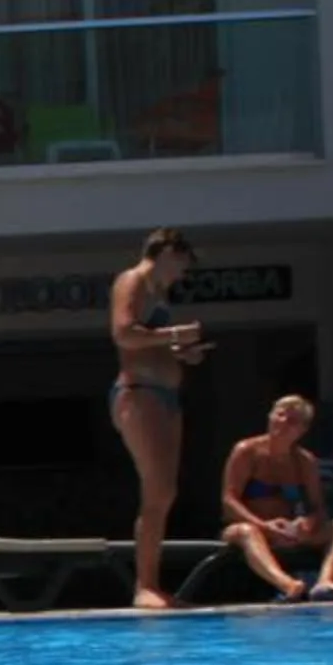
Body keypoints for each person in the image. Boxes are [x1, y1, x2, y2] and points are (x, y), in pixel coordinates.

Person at [109, 228, 211, 608]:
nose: (183, 273)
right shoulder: (131, 279)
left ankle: (151, 585)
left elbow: (150, 342)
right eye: (183, 263)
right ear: (168, 251)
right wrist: (175, 334)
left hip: (163, 395)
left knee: (164, 492)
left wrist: (182, 353)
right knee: (155, 489)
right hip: (139, 394)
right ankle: (144, 586)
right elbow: (124, 334)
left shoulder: (157, 294)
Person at [221, 394, 333, 602]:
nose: (282, 422)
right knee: (246, 532)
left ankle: (325, 582)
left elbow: (318, 507)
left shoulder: (305, 461)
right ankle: (288, 585)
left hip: (289, 531)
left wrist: (308, 523)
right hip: (252, 528)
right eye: (280, 415)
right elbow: (229, 501)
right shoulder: (247, 451)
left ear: (302, 430)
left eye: (292, 421)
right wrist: (265, 526)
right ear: (270, 416)